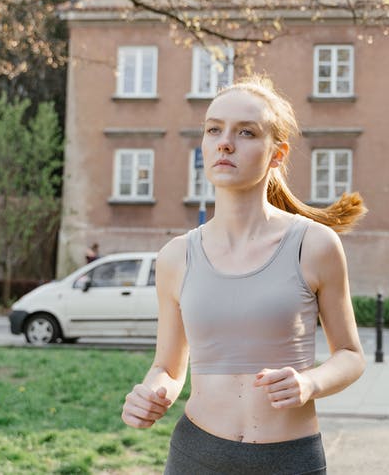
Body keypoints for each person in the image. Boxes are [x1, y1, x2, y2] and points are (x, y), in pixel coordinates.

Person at [120, 75, 367, 474]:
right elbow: (167, 367)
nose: (225, 142)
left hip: (290, 460)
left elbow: (351, 357)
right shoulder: (175, 256)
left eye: (246, 132)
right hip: (196, 456)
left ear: (277, 154)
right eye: (214, 129)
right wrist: (152, 393)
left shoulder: (314, 245)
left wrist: (310, 383)